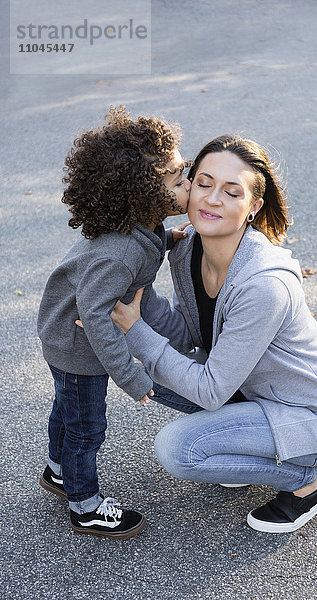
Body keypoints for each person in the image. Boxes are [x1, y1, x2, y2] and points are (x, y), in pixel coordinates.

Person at [108, 134, 317, 534]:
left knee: (178, 449)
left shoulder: (264, 284)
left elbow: (210, 390)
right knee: (146, 365)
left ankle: (310, 481)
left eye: (231, 192)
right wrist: (130, 304)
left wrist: (136, 330)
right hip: (251, 388)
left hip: (314, 414)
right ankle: (244, 443)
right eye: (204, 183)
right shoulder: (188, 249)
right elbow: (188, 337)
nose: (211, 200)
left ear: (253, 207)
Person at [37, 106, 191, 540]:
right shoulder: (118, 255)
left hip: (64, 333)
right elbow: (97, 320)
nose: (188, 182)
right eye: (178, 178)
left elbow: (146, 240)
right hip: (78, 345)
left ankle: (58, 471)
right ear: (144, 193)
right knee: (87, 426)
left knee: (67, 410)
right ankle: (84, 506)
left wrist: (168, 238)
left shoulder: (139, 227)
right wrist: (131, 376)